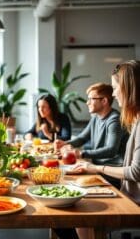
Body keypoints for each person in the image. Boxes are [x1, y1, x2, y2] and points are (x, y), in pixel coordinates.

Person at [73, 60, 140, 239]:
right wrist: (67, 145)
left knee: (80, 212)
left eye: (115, 87)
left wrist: (94, 167)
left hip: (131, 195)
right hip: (127, 188)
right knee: (79, 214)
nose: (114, 93)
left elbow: (134, 172)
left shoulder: (124, 120)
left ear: (128, 88)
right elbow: (82, 137)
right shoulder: (134, 120)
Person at [55, 83, 128, 166]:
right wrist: (65, 143)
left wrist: (81, 153)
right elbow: (82, 138)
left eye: (91, 99)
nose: (87, 102)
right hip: (97, 165)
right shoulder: (96, 117)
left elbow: (111, 150)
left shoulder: (114, 120)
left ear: (104, 101)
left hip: (111, 169)